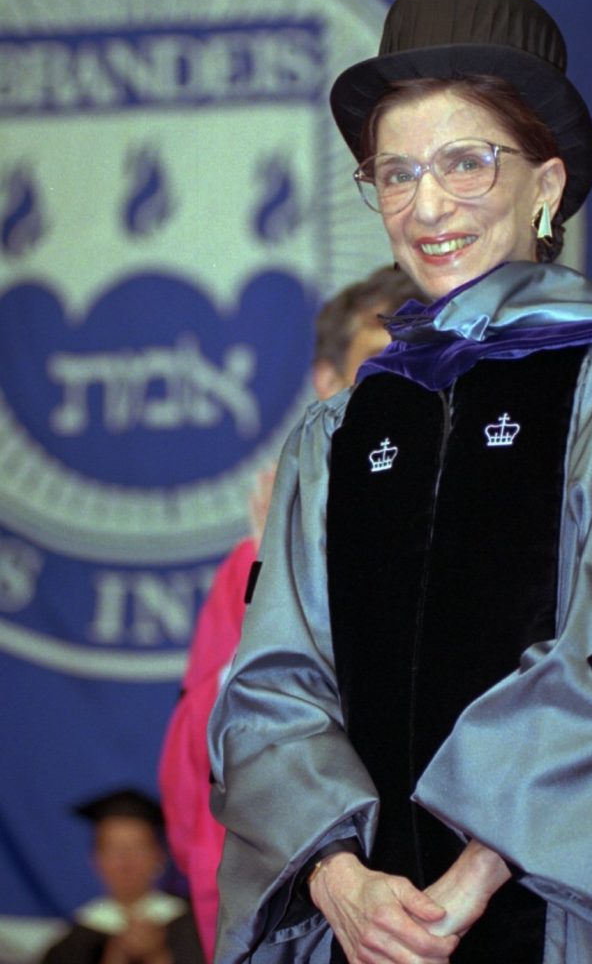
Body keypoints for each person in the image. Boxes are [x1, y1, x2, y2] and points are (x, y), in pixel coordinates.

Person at [208, 0, 592, 964]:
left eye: (466, 162)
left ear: (547, 184)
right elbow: (270, 684)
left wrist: (465, 884)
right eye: (395, 172)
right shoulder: (335, 434)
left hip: (570, 919)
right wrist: (341, 879)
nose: (427, 205)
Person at [158, 266, 426, 961]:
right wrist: (263, 573)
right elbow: (201, 775)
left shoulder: (479, 532)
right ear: (326, 382)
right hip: (307, 918)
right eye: (376, 367)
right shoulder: (254, 563)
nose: (405, 389)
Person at [40, 789, 205, 964]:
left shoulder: (194, 928)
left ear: (160, 857)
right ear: (95, 860)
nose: (125, 862)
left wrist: (157, 956)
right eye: (113, 849)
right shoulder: (72, 943)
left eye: (137, 848)